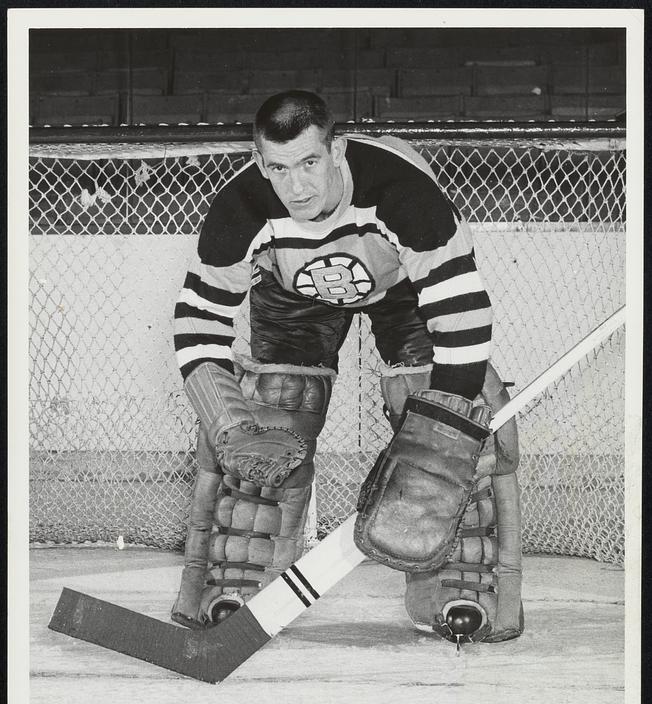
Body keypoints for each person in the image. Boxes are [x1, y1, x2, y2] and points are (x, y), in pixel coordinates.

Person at [171, 90, 523, 644]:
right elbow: (196, 326)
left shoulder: (404, 195)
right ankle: (240, 578)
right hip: (293, 290)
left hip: (401, 282)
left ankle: (457, 577)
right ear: (260, 162)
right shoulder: (239, 210)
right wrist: (230, 425)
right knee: (271, 414)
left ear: (335, 150)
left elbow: (463, 320)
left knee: (441, 422)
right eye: (279, 169)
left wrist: (442, 435)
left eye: (310, 163)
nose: (297, 187)